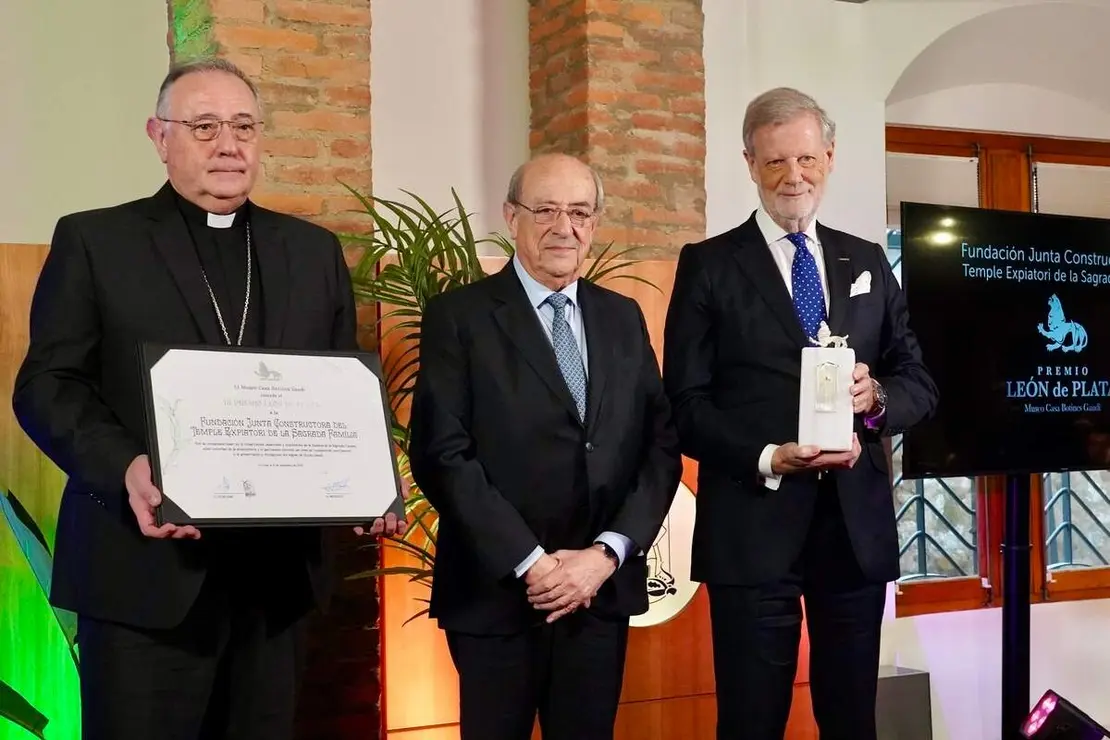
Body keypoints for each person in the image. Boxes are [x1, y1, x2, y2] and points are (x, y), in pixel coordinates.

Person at [11, 58, 405, 740]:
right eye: (204, 126)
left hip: (273, 591)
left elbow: (340, 390)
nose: (229, 144)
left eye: (244, 126)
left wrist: (371, 478)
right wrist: (127, 465)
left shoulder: (310, 252)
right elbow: (47, 386)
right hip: (143, 581)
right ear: (159, 137)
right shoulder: (97, 241)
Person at [662, 87, 938, 740]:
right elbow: (684, 405)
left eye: (807, 159)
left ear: (830, 157)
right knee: (752, 722)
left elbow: (919, 383)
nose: (794, 177)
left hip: (854, 531)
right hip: (752, 530)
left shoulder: (867, 260)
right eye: (777, 162)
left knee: (851, 723)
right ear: (750, 163)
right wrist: (767, 457)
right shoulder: (707, 267)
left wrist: (877, 400)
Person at [407, 152, 682, 740]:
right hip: (496, 596)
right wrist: (533, 563)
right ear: (512, 217)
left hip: (597, 593)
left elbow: (660, 448)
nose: (565, 227)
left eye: (580, 212)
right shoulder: (460, 317)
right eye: (547, 210)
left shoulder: (623, 317)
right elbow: (442, 453)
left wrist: (605, 555)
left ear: (596, 223)